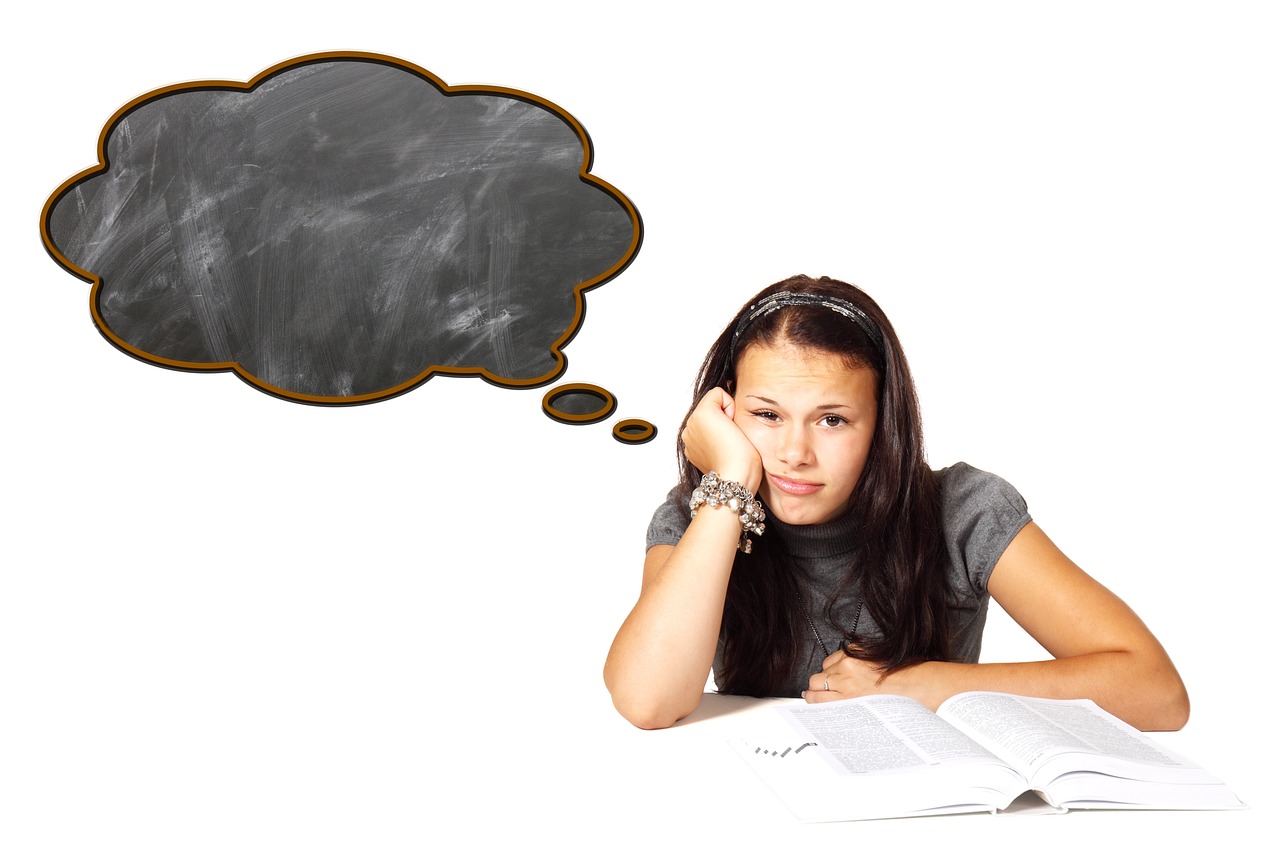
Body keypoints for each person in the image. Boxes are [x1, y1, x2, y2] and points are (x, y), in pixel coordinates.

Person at [603, 274, 1189, 732]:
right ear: (725, 412)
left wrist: (924, 686)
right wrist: (730, 481)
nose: (794, 452)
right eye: (766, 415)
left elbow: (1155, 690)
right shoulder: (701, 517)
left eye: (832, 419)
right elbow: (646, 700)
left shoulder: (964, 510)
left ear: (883, 425)